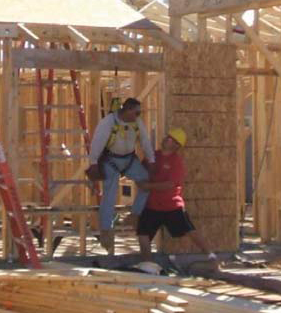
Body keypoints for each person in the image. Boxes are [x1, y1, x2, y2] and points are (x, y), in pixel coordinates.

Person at [136, 127, 217, 264]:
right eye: (167, 136)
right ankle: (147, 264)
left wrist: (148, 186)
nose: (166, 139)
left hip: (171, 205)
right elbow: (140, 172)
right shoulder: (153, 156)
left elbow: (170, 184)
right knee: (143, 234)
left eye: (171, 139)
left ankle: (211, 256)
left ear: (176, 145)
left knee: (190, 231)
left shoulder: (176, 161)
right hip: (152, 205)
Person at [89, 98, 155, 254]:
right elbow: (97, 143)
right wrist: (93, 163)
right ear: (128, 110)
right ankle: (106, 230)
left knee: (146, 182)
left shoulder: (136, 122)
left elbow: (145, 141)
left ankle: (135, 215)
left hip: (129, 159)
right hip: (111, 160)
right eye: (136, 112)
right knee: (110, 194)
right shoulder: (108, 122)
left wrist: (151, 160)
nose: (138, 115)